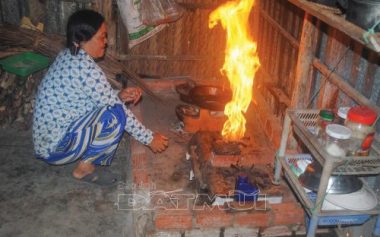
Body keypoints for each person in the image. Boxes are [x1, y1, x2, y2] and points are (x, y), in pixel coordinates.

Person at [32, 9, 168, 185]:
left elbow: (87, 97)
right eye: (101, 37)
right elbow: (121, 114)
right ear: (81, 41)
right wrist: (150, 139)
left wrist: (118, 95)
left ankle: (83, 154)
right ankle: (84, 169)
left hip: (47, 142)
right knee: (116, 115)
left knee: (113, 107)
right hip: (56, 148)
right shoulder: (85, 69)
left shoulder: (68, 56)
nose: (106, 42)